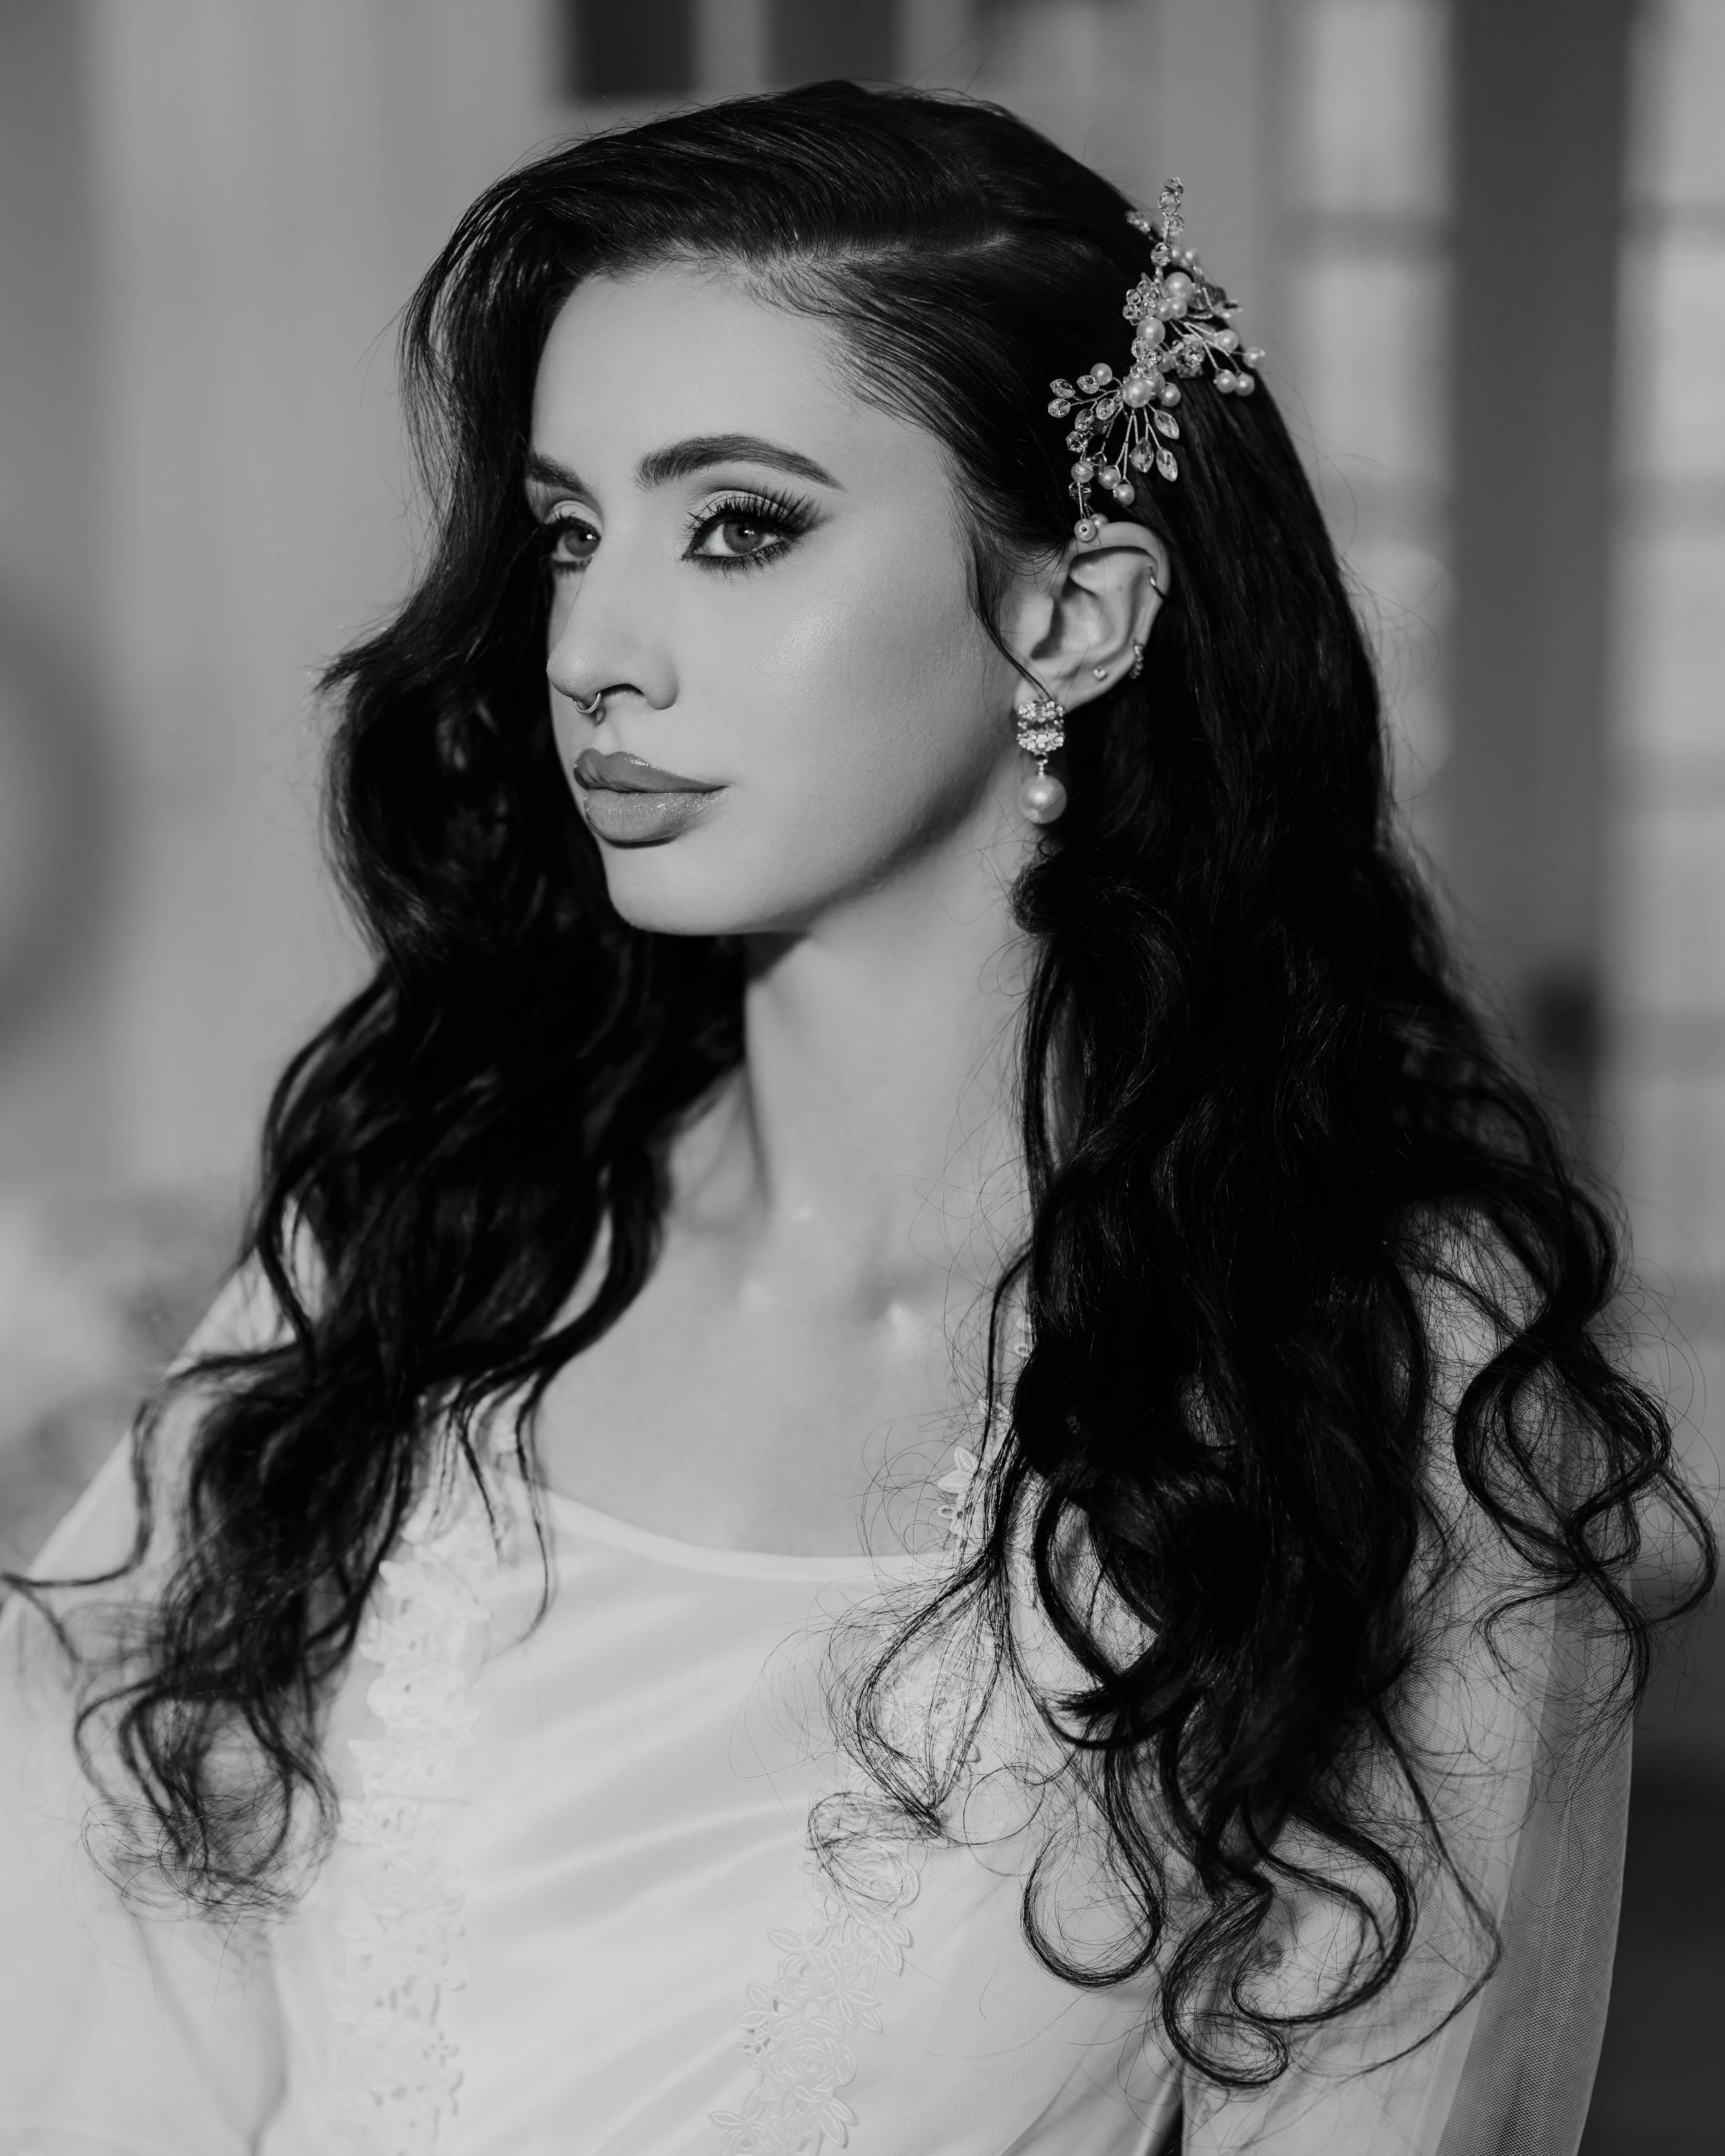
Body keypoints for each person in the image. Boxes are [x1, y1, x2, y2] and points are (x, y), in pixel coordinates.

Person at [0, 81, 1710, 2156]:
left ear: (1072, 614)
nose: (596, 655)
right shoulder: (423, 1224)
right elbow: (95, 1980)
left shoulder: (1355, 1363)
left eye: (739, 524)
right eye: (566, 532)